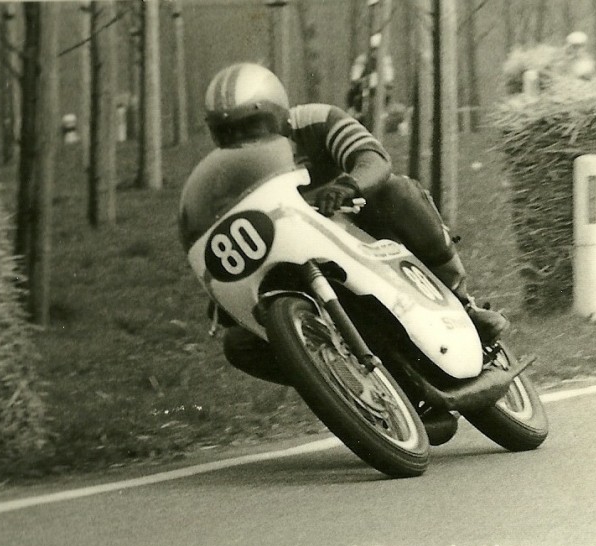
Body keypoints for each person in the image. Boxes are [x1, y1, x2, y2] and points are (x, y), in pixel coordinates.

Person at [201, 63, 508, 386]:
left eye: (251, 125)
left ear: (278, 112)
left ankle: (463, 304)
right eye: (229, 132)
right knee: (239, 344)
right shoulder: (227, 176)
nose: (242, 139)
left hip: (361, 233)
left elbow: (374, 158)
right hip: (293, 262)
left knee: (398, 191)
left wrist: (347, 186)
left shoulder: (317, 120)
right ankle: (346, 390)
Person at [346, 33, 394, 122]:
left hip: (379, 87)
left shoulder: (386, 61)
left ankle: (384, 111)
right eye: (374, 49)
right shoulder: (363, 59)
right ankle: (353, 111)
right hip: (365, 86)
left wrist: (388, 82)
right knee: (352, 93)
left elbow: (389, 76)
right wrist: (356, 80)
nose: (375, 53)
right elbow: (356, 73)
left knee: (387, 94)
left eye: (378, 49)